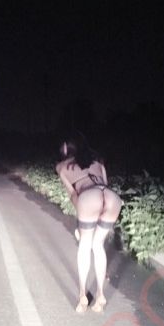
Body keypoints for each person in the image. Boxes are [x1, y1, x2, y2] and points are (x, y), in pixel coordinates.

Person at [55, 134, 122, 313]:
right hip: (111, 197)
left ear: (66, 150)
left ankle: (82, 296)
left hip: (88, 197)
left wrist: (80, 223)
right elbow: (104, 186)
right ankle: (100, 295)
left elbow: (73, 195)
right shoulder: (98, 163)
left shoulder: (61, 167)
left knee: (85, 246)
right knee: (97, 245)